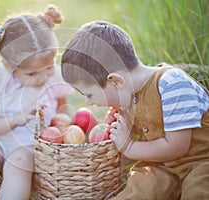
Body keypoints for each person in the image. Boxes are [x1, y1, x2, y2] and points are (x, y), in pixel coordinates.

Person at [61, 21, 209, 199]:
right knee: (141, 188)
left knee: (199, 191)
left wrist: (129, 146)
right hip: (163, 165)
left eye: (90, 95)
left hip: (202, 162)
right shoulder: (128, 96)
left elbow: (177, 147)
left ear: (116, 81)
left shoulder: (172, 84)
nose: (89, 102)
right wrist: (123, 125)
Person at [0, 5, 73, 200]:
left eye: (49, 66)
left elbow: (63, 106)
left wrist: (63, 120)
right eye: (33, 73)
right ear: (9, 65)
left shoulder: (54, 78)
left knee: (19, 163)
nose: (44, 77)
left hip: (29, 145)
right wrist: (18, 118)